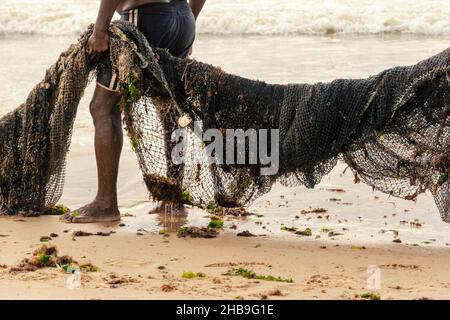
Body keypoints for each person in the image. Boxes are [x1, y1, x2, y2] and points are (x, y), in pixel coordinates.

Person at [62, 0, 206, 223]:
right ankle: (173, 200)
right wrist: (189, 20)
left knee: (102, 106)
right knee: (170, 107)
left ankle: (105, 203)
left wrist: (100, 31)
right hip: (183, 18)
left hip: (145, 19)